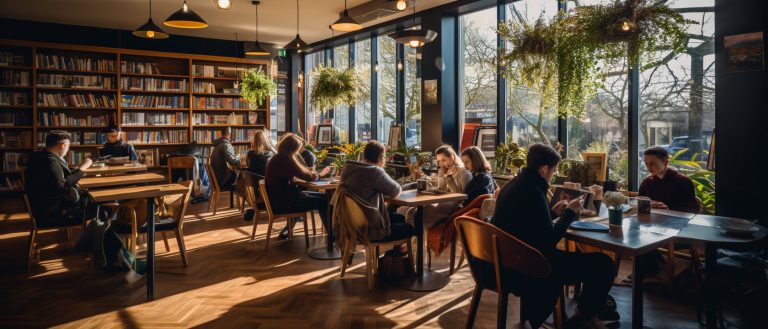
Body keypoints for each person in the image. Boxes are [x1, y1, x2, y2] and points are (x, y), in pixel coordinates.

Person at [491, 144, 617, 329]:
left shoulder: (514, 185)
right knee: (604, 264)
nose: (553, 175)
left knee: (597, 263)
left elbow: (527, 222)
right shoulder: (534, 192)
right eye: (553, 171)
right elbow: (549, 240)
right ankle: (586, 315)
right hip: (534, 265)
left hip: (509, 261)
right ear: (544, 169)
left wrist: (552, 213)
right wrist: (570, 213)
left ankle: (584, 314)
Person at [337, 140, 414, 241]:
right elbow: (395, 190)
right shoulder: (375, 172)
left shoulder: (349, 169)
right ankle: (394, 255)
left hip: (351, 224)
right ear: (380, 157)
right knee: (410, 228)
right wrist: (381, 170)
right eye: (385, 156)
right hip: (370, 229)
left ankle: (392, 255)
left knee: (399, 217)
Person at [265, 133, 331, 239]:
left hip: (278, 200)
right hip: (285, 203)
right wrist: (321, 174)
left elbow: (298, 173)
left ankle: (332, 234)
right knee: (325, 200)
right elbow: (309, 177)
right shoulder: (285, 160)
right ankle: (332, 235)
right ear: (292, 149)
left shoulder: (277, 158)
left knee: (324, 198)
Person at [25, 130, 93, 227]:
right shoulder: (50, 162)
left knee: (88, 199)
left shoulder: (39, 156)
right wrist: (81, 168)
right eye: (68, 146)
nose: (68, 150)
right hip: (53, 215)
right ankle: (94, 240)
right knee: (98, 207)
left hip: (41, 209)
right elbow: (61, 186)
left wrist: (77, 170)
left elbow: (56, 180)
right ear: (63, 146)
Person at [639, 146, 700, 213]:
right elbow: (640, 204)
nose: (648, 168)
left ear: (665, 162)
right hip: (652, 220)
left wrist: (668, 210)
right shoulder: (647, 182)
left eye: (652, 163)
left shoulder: (684, 181)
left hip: (676, 221)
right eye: (646, 163)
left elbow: (693, 210)